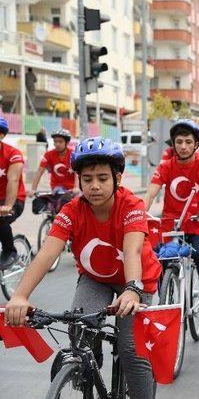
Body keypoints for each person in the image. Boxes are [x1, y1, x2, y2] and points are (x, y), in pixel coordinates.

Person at [4, 137, 162, 399]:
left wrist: (133, 289)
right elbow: (45, 254)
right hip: (96, 278)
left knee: (131, 351)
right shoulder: (71, 210)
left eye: (102, 178)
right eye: (87, 179)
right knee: (80, 332)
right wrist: (20, 296)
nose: (95, 186)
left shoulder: (131, 205)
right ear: (79, 181)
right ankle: (88, 366)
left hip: (135, 281)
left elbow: (133, 250)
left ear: (117, 180)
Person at [143, 119, 199, 288]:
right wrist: (139, 214)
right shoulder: (165, 167)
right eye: (179, 142)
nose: (183, 146)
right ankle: (166, 299)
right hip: (172, 224)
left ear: (196, 144)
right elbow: (149, 195)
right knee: (163, 257)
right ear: (174, 145)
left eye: (188, 142)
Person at [0, 117, 26, 270]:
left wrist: (8, 206)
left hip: (14, 199)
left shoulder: (13, 153)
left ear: (1, 135)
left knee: (1, 218)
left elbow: (13, 180)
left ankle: (10, 252)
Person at [29, 129, 79, 196]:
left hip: (73, 188)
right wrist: (33, 189)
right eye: (55, 141)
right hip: (57, 187)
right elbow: (39, 172)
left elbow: (77, 172)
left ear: (66, 143)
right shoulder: (48, 155)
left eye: (60, 142)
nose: (57, 144)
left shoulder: (73, 154)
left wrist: (76, 187)